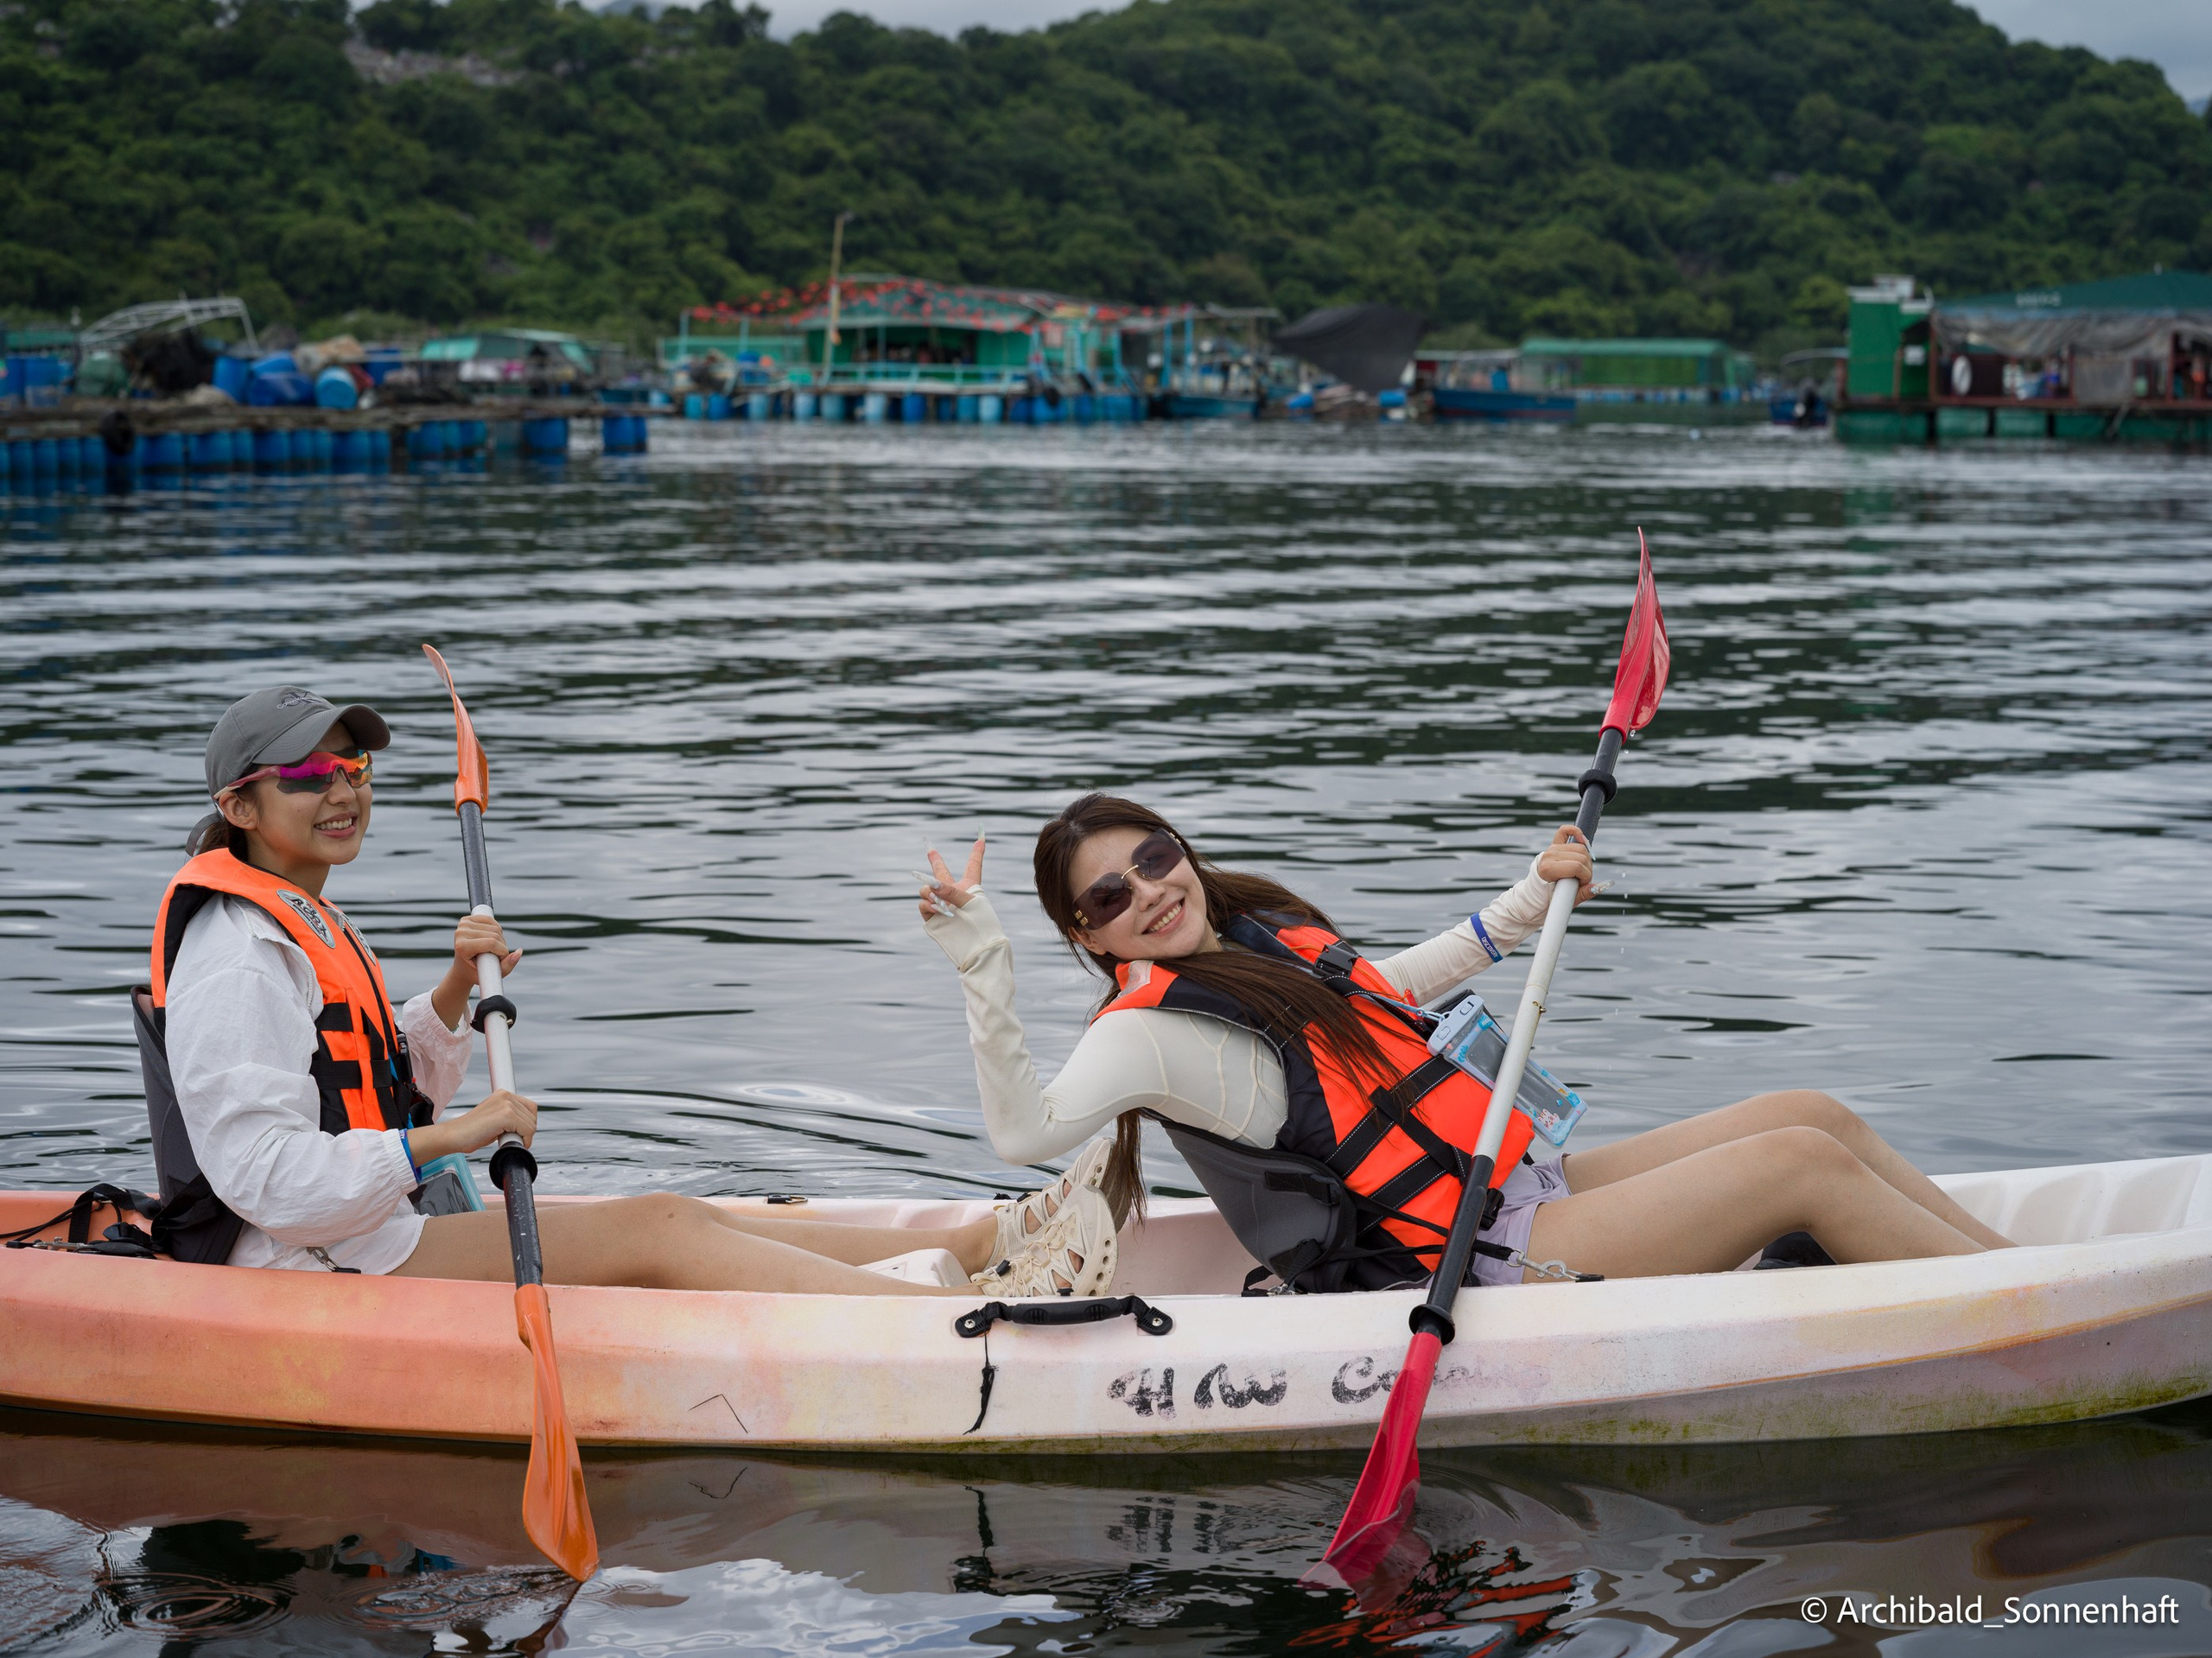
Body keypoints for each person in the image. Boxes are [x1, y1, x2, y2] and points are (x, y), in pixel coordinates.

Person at [143, 686, 1109, 1296]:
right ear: (239, 805)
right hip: (312, 1261)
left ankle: (984, 1237)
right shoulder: (237, 952)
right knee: (659, 1230)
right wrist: (458, 1137)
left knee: (679, 1211)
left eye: (353, 767)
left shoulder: (304, 913)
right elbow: (266, 1175)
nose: (344, 790)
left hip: (367, 1228)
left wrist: (451, 990)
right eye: (308, 773)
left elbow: (381, 1087)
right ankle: (960, 1316)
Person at [918, 792, 2014, 1294]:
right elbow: (1022, 1131)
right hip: (1475, 1257)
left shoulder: (1256, 942)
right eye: (1110, 895)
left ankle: (2021, 1273)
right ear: (1089, 935)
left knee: (1811, 1113)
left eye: (1154, 857)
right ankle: (2026, 1305)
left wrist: (1526, 899)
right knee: (1799, 1165)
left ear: (1182, 850)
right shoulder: (1147, 1031)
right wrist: (983, 964)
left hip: (1511, 1183)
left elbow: (1384, 990)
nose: (1149, 890)